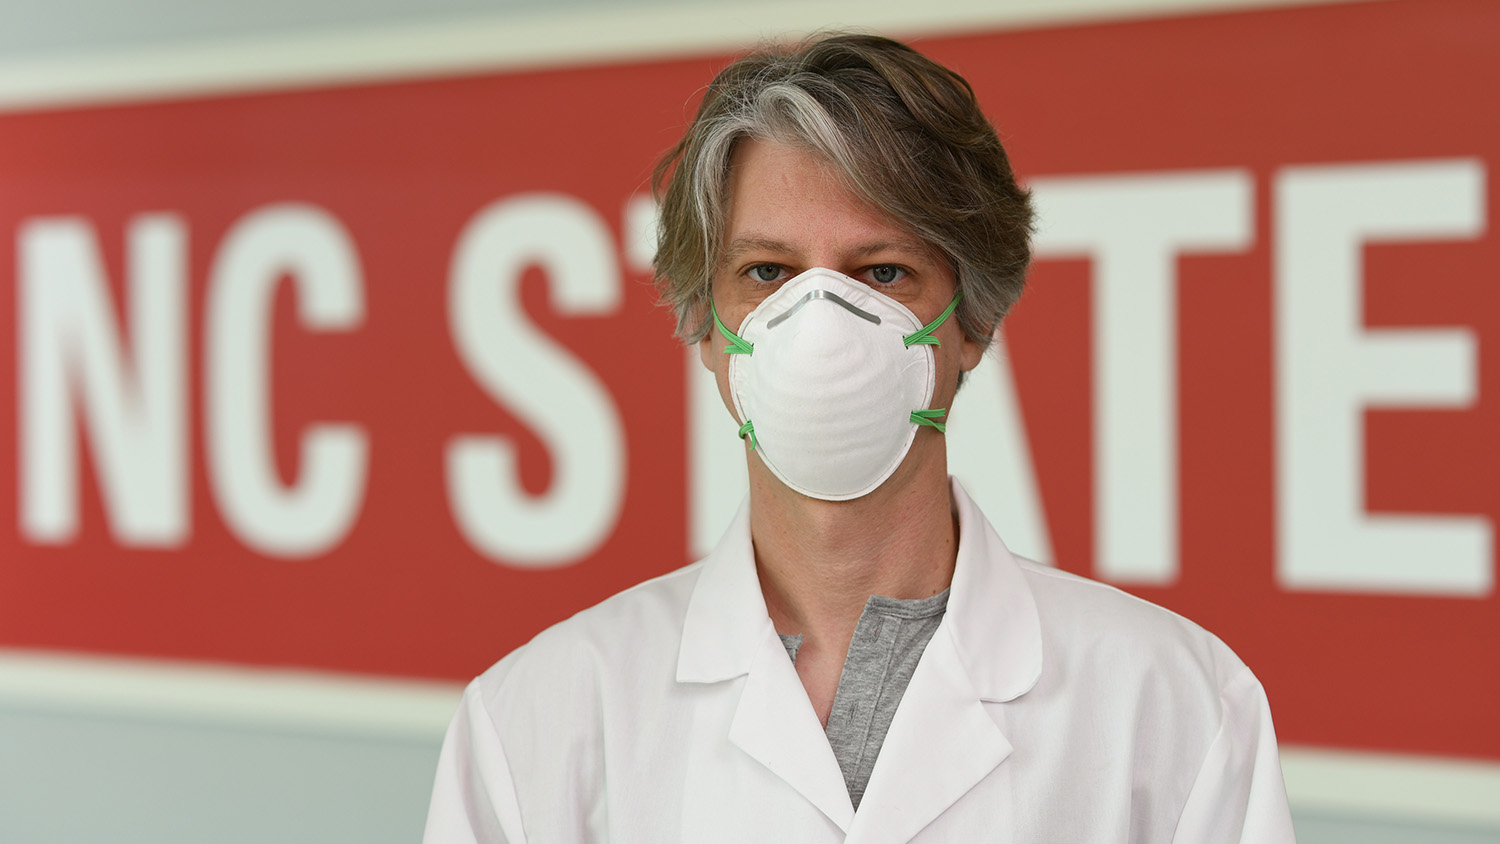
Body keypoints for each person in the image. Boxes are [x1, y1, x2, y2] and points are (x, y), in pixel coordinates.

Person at [423, 33, 1296, 843]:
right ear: (703, 322)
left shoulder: (1176, 707)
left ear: (973, 323)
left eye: (883, 273)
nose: (823, 326)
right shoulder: (538, 721)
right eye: (767, 272)